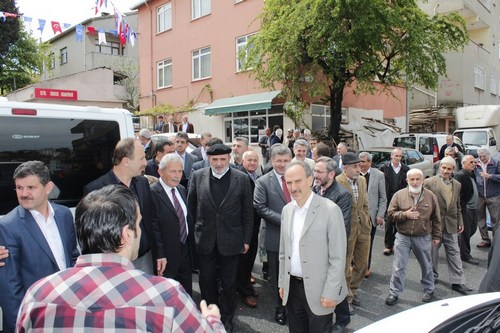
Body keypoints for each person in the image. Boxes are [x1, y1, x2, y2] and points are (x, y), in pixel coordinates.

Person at [16, 185, 225, 332]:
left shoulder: (37, 295)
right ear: (127, 234)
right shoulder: (166, 296)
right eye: (139, 223)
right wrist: (212, 319)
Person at [0, 161, 79, 333]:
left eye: (30, 187)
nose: (24, 193)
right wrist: (22, 325)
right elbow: (9, 288)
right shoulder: (8, 226)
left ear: (48, 187)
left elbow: (73, 257)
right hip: (33, 319)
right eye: (19, 188)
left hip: (67, 309)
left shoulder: (64, 214)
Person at [188, 143, 253, 332]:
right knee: (206, 281)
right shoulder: (198, 176)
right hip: (205, 240)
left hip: (232, 241)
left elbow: (248, 213)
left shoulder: (241, 178)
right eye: (214, 159)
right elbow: (191, 208)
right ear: (208, 159)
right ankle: (210, 317)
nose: (218, 163)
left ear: (229, 159)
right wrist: (194, 236)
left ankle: (227, 318)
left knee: (228, 283)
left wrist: (246, 240)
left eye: (222, 159)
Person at [278, 161, 348, 333]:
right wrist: (282, 283)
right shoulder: (287, 211)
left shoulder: (331, 210)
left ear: (310, 180)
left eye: (298, 181)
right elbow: (283, 252)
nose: (293, 187)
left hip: (320, 289)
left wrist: (331, 291)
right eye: (289, 182)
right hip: (292, 288)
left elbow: (338, 257)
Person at [84, 138, 166, 276]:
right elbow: (91, 237)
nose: (145, 163)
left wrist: (159, 253)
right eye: (141, 158)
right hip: (112, 266)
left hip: (145, 259)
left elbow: (152, 220)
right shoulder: (96, 190)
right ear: (126, 161)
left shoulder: (142, 183)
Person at [385, 169, 441, 306]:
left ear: (423, 180)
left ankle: (429, 289)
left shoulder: (431, 196)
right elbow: (390, 214)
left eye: (418, 179)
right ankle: (394, 292)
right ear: (407, 180)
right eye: (412, 179)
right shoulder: (399, 195)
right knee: (399, 266)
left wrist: (436, 236)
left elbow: (436, 218)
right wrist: (405, 215)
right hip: (403, 236)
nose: (415, 182)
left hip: (423, 236)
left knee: (426, 265)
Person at [312, 157, 352, 332]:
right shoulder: (313, 189)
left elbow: (343, 227)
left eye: (319, 172)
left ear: (331, 174)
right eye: (314, 171)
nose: (315, 175)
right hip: (315, 247)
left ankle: (343, 319)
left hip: (333, 248)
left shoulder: (342, 195)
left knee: (336, 282)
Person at [254, 144, 293, 325]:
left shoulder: (297, 178)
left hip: (298, 237)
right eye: (279, 161)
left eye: (286, 160)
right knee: (278, 276)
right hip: (275, 236)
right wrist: (287, 220)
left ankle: (294, 306)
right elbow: (260, 208)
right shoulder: (263, 181)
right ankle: (280, 308)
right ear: (272, 160)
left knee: (296, 273)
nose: (282, 164)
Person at [424, 157, 472, 295]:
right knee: (432, 253)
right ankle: (432, 278)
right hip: (434, 225)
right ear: (440, 167)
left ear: (453, 170)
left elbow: (457, 205)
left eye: (449, 169)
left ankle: (458, 282)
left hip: (451, 224)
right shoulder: (429, 182)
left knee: (454, 253)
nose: (446, 171)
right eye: (443, 168)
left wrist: (460, 221)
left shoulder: (457, 184)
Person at [150, 154, 195, 295]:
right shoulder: (152, 193)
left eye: (180, 171)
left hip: (185, 251)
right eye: (173, 171)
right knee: (168, 294)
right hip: (166, 257)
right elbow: (153, 228)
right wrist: (160, 254)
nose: (177, 175)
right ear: (160, 171)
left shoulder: (181, 189)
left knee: (186, 291)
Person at [336, 152, 371, 314]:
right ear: (345, 168)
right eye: (355, 166)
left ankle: (353, 290)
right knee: (345, 265)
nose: (359, 168)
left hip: (363, 228)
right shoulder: (337, 182)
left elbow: (364, 203)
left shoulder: (363, 180)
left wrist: (367, 220)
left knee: (362, 264)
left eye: (360, 165)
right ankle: (346, 297)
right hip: (347, 230)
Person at [237, 150, 261, 308]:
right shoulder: (239, 177)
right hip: (242, 227)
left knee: (250, 259)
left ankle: (245, 285)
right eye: (249, 160)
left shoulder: (257, 175)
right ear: (242, 162)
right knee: (243, 261)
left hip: (254, 225)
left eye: (255, 160)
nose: (252, 163)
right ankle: (245, 291)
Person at [359, 152, 387, 278]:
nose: (360, 164)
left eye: (363, 161)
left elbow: (383, 197)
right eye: (359, 161)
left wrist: (380, 215)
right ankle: (355, 267)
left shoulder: (379, 175)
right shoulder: (354, 174)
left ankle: (366, 268)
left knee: (368, 243)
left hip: (371, 216)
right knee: (354, 242)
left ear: (369, 162)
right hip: (356, 216)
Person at [379, 147, 410, 256]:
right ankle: (388, 246)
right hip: (388, 198)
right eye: (395, 155)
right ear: (391, 156)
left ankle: (398, 244)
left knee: (400, 221)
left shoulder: (406, 169)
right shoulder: (384, 168)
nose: (397, 158)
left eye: (400, 156)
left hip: (401, 199)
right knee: (388, 223)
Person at [455, 155, 480, 265]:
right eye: (471, 162)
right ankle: (465, 254)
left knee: (473, 229)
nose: (473, 164)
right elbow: (457, 195)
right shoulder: (460, 176)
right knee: (465, 232)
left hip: (473, 207)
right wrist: (461, 208)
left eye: (474, 162)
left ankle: (460, 245)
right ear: (463, 163)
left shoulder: (472, 174)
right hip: (466, 209)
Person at [475, 148, 500, 248]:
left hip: (494, 195)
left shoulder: (496, 162)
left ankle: (496, 241)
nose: (482, 158)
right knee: (480, 219)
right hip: (480, 196)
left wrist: (490, 176)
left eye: (484, 156)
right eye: (480, 156)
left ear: (488, 155)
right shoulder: (476, 163)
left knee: (495, 219)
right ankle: (485, 239)